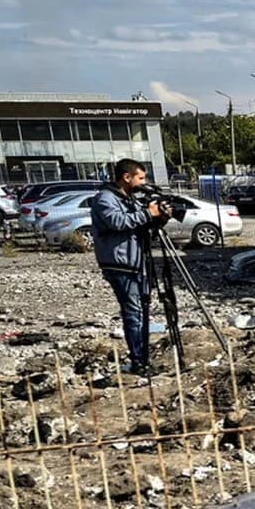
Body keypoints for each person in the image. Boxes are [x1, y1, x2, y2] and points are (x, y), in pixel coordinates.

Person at [90, 159, 166, 375]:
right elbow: (117, 222)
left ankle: (142, 358)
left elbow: (139, 225)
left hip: (136, 262)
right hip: (120, 265)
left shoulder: (128, 199)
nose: (143, 182)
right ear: (126, 177)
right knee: (134, 313)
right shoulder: (105, 199)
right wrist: (148, 214)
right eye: (140, 178)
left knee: (140, 311)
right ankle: (138, 361)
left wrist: (158, 219)